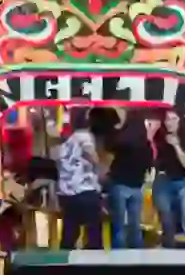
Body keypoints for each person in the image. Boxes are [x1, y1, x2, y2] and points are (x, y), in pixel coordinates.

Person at [152, 109, 185, 248]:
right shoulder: (159, 135)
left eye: (173, 119)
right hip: (165, 178)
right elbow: (154, 157)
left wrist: (176, 145)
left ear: (181, 120)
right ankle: (169, 251)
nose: (169, 123)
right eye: (167, 119)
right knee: (166, 219)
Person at [55, 107, 103, 249]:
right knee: (94, 231)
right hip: (85, 189)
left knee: (70, 231)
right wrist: (96, 163)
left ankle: (64, 263)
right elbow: (89, 152)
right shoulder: (84, 136)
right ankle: (95, 263)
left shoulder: (69, 141)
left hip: (67, 192)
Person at [105, 109, 153, 249]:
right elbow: (149, 163)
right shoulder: (145, 145)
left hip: (119, 183)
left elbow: (109, 147)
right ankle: (136, 258)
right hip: (137, 186)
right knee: (135, 226)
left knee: (118, 226)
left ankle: (117, 259)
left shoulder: (122, 141)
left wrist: (115, 129)